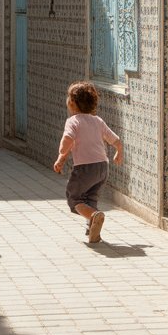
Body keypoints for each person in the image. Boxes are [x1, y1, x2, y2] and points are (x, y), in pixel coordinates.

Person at [53, 80, 123, 243]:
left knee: (75, 198)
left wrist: (60, 154)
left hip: (85, 169)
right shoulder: (97, 121)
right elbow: (115, 139)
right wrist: (119, 152)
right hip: (102, 167)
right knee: (90, 198)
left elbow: (67, 141)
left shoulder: (73, 121)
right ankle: (92, 230)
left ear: (72, 103)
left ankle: (93, 216)